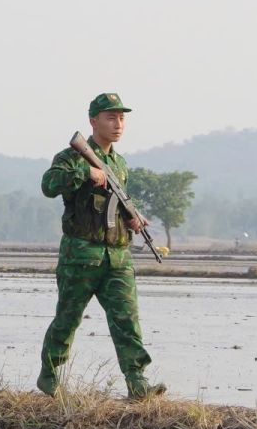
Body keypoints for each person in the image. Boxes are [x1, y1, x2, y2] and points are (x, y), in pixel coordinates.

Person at [37, 93, 163, 400]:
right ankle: (50, 376)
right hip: (81, 255)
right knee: (68, 318)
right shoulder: (73, 157)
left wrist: (131, 218)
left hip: (117, 258)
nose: (118, 124)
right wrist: (85, 172)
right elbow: (48, 185)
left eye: (121, 118)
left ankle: (137, 382)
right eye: (110, 117)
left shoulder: (119, 164)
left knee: (127, 321)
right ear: (93, 121)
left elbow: (111, 203)